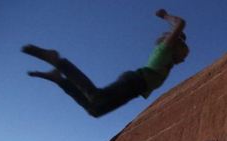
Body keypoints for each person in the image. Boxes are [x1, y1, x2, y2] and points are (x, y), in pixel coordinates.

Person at [22, 9, 189, 117]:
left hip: (136, 88)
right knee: (96, 96)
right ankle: (58, 61)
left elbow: (179, 35)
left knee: (95, 110)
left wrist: (178, 36)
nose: (185, 57)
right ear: (175, 47)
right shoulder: (164, 51)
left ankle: (59, 79)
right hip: (135, 81)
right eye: (184, 53)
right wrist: (165, 16)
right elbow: (180, 24)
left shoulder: (169, 58)